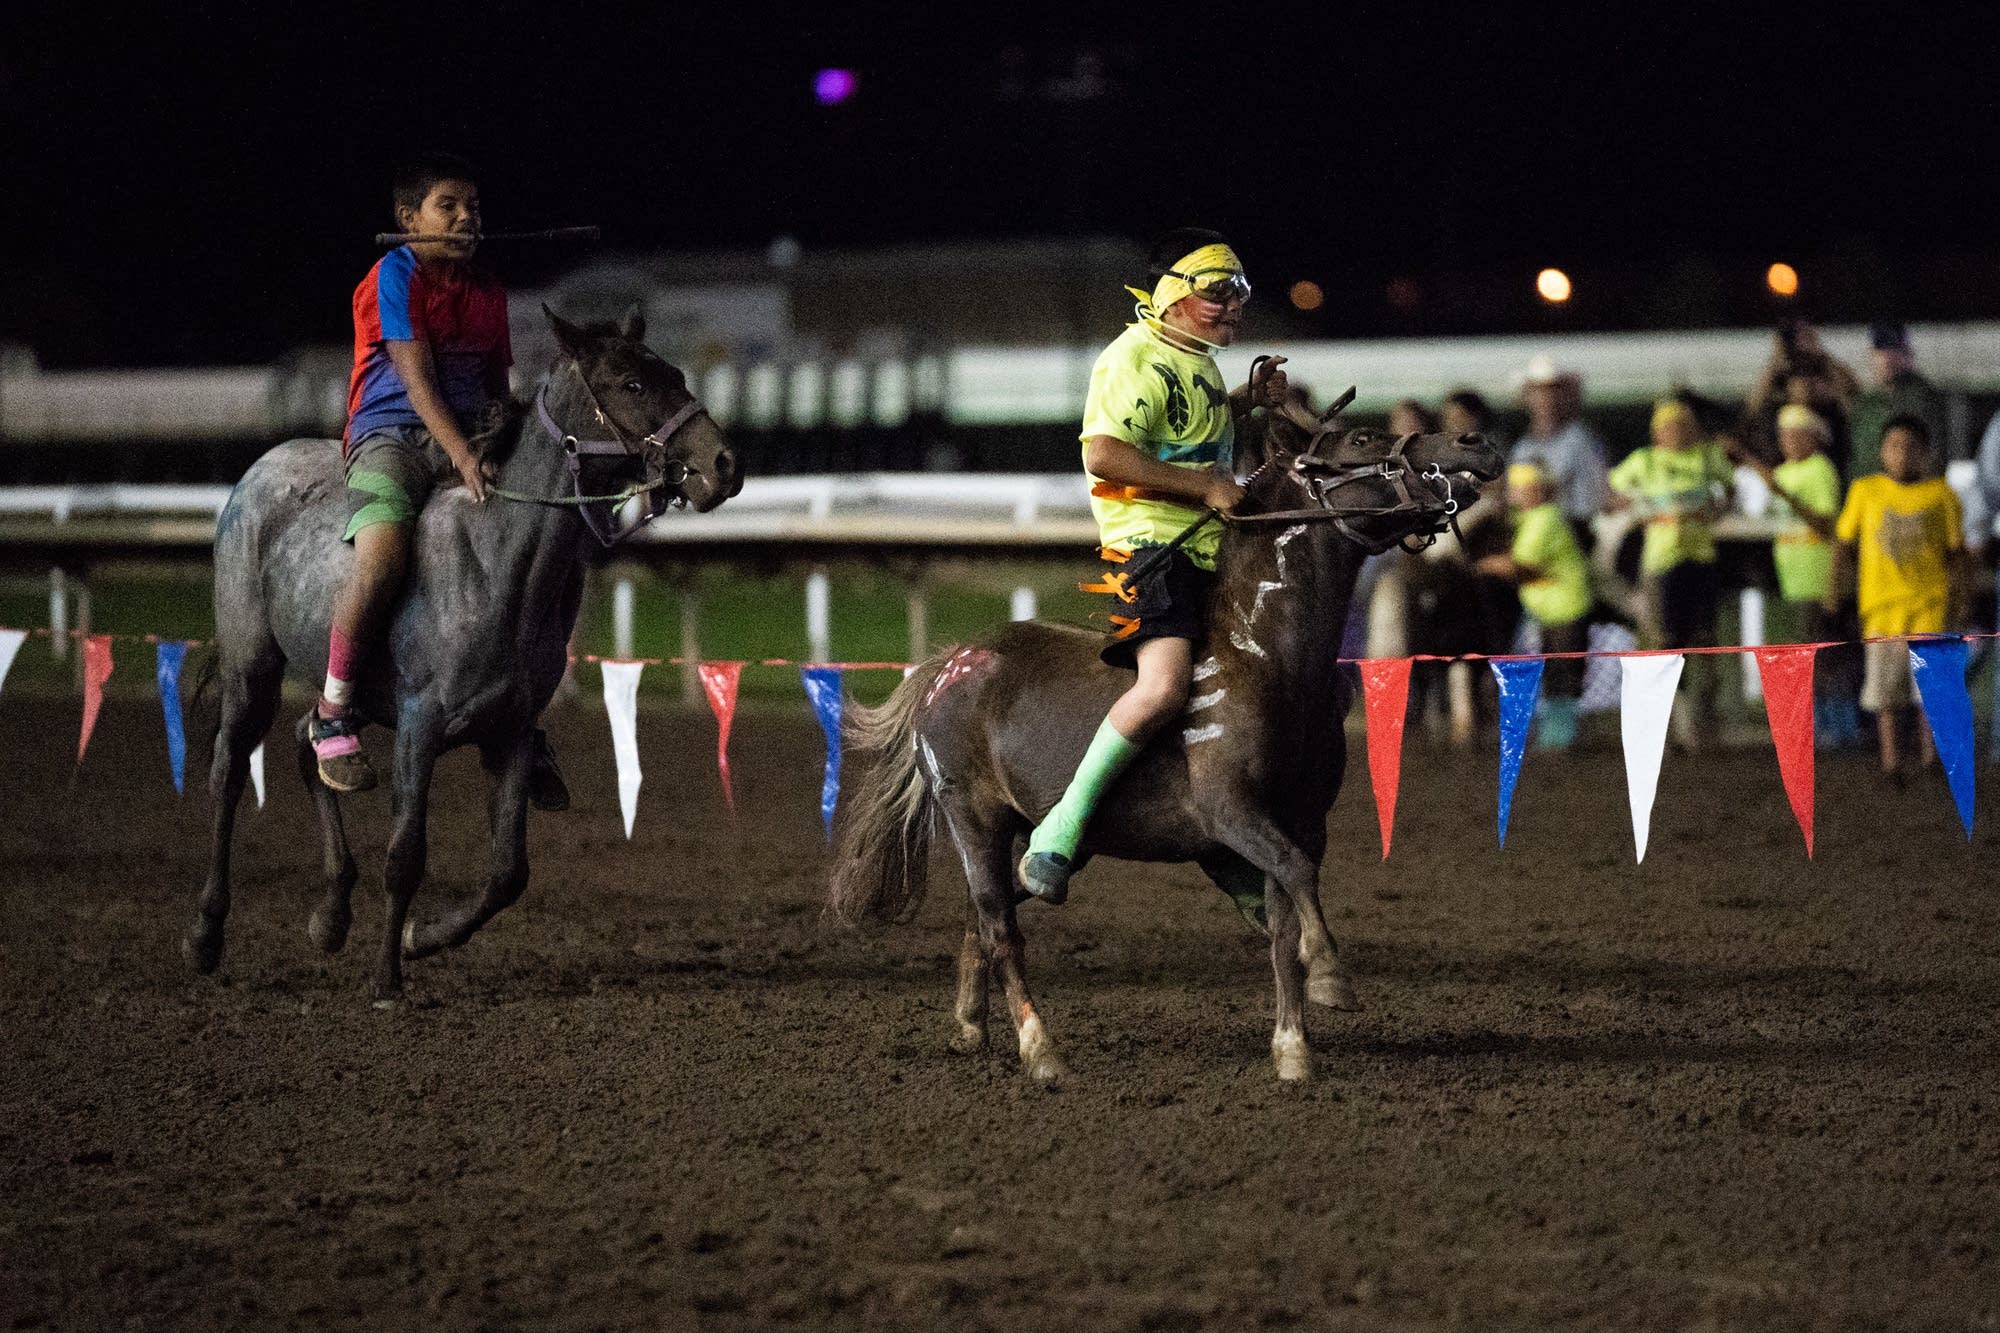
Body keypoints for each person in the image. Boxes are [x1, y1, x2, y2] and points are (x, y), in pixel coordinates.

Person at [1016, 228, 1288, 902]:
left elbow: (1185, 429)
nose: (1234, 306)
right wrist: (1205, 488)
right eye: (1217, 292)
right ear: (1172, 295)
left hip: (1207, 547)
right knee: (1166, 688)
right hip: (1151, 549)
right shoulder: (1133, 355)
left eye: (1241, 292)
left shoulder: (1194, 358)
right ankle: (1063, 823)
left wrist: (1244, 405)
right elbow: (1105, 453)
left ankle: (1220, 838)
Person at [313, 153, 565, 807]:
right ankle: (333, 710)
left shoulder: (488, 290)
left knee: (538, 538)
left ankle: (520, 716)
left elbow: (495, 387)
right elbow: (417, 380)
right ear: (408, 219)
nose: (465, 218)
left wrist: (508, 427)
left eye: (473, 208)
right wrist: (460, 453)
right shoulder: (390, 277)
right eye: (448, 206)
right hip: (389, 438)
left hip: (465, 441)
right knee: (385, 551)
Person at [1831, 415, 1968, 780]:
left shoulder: (1943, 495)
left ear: (1926, 453)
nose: (1901, 454)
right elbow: (1843, 544)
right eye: (1893, 446)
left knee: (1930, 689)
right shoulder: (1865, 491)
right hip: (1881, 608)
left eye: (1910, 447)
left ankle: (1931, 759)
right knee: (1884, 690)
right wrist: (1833, 592)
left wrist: (1962, 599)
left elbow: (1956, 554)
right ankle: (1891, 762)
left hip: (1930, 604)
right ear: (1881, 452)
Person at [1606, 397, 1734, 745]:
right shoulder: (1645, 461)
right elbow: (1612, 490)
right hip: (1661, 564)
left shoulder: (1708, 457)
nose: (1676, 432)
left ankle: (1706, 725)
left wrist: (1718, 509)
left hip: (1701, 558)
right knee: (1666, 643)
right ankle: (1671, 725)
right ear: (1657, 432)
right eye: (1669, 426)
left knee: (1705, 642)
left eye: (1683, 425)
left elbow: (1731, 491)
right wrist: (1635, 507)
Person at [1731, 403, 1858, 745]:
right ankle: (1813, 728)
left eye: (1795, 434)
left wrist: (1784, 493)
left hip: (1817, 577)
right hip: (1791, 580)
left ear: (1814, 437)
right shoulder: (1784, 471)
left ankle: (1838, 729)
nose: (1787, 441)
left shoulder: (1820, 471)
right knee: (1803, 654)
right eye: (1783, 435)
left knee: (1825, 655)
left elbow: (1826, 524)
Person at [1478, 462, 1590, 749]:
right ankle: (1556, 734)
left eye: (1522, 489)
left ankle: (1562, 736)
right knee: (1555, 671)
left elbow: (1522, 567)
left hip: (1564, 606)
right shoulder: (1529, 518)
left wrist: (1485, 565)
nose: (1517, 495)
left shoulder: (1545, 518)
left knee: (1562, 671)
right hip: (1548, 608)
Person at [1509, 354, 1608, 540]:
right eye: (1538, 391)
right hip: (1528, 533)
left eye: (1554, 390)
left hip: (1575, 532)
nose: (1547, 398)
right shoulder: (1522, 448)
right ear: (1527, 397)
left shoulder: (1582, 441)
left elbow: (1594, 501)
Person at [1747, 317, 1860, 477]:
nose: (1805, 385)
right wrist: (1776, 360)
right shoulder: (1779, 414)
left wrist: (1818, 352)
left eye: (1810, 377)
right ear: (1788, 385)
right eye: (1798, 377)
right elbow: (1753, 409)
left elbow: (1852, 395)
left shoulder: (1829, 411)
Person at [1848, 321, 1947, 478]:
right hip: (1871, 495)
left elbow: (1936, 454)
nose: (1887, 358)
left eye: (1895, 350)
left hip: (1911, 494)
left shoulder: (1923, 398)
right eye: (1880, 351)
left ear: (1908, 355)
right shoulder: (1866, 404)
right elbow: (1857, 457)